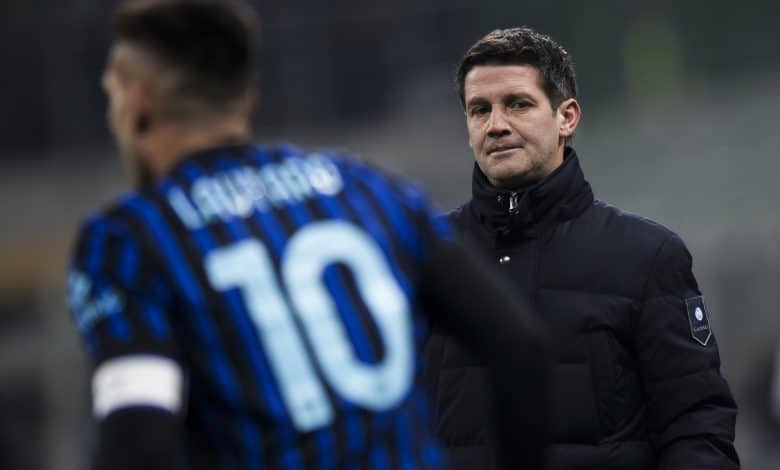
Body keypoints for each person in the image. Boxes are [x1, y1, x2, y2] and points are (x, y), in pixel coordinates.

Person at [66, 2, 549, 469]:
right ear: (245, 96)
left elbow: (140, 445)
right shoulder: (368, 189)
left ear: (136, 100)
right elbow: (518, 343)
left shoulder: (128, 239)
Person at [422, 27, 739, 470]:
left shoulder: (646, 256)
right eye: (479, 110)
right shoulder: (422, 257)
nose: (496, 125)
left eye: (517, 104)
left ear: (566, 117)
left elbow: (696, 425)